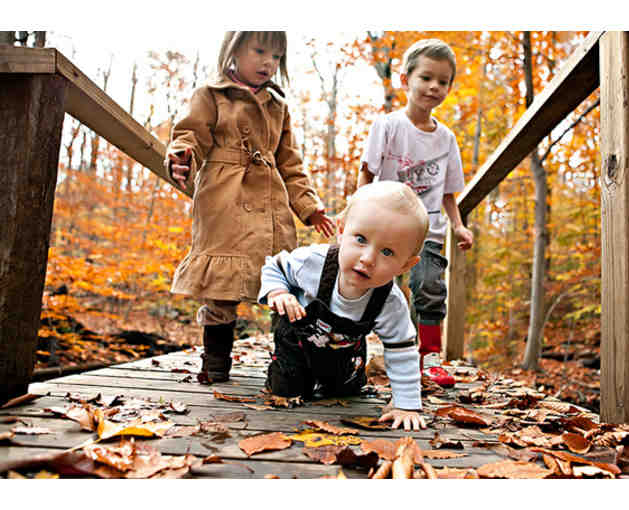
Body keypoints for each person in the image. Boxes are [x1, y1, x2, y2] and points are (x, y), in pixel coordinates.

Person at [165, 31, 335, 383]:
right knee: (221, 287)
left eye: (276, 56)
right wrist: (182, 157)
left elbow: (290, 162)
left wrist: (309, 206)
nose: (268, 62)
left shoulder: (278, 105)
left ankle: (288, 362)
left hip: (271, 205)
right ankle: (215, 362)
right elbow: (190, 135)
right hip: (224, 201)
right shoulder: (211, 95)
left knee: (283, 285)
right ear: (234, 50)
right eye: (259, 51)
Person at [259, 181, 429, 431]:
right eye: (360, 239)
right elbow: (275, 266)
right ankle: (287, 377)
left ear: (405, 265)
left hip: (344, 353)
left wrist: (407, 405)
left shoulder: (389, 302)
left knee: (347, 390)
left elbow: (401, 349)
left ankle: (341, 380)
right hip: (297, 343)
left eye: (387, 252)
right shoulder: (313, 262)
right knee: (288, 390)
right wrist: (278, 292)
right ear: (341, 230)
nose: (368, 258)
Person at [358, 39, 474, 376]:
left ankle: (430, 358)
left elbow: (449, 191)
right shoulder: (388, 126)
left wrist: (458, 225)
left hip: (429, 231)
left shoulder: (446, 139)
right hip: (386, 229)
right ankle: (361, 350)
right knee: (374, 288)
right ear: (405, 79)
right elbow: (366, 172)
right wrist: (358, 212)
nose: (434, 86)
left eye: (443, 81)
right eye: (426, 77)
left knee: (430, 287)